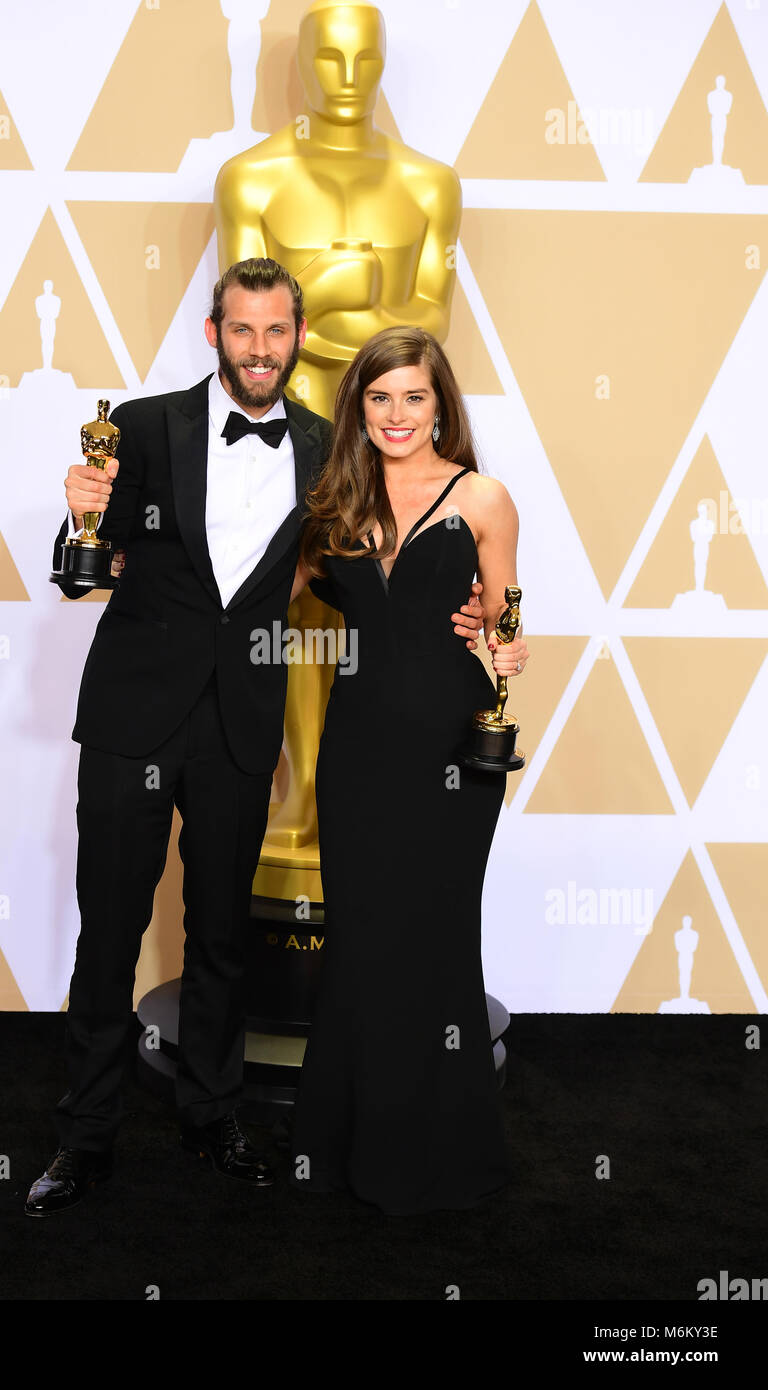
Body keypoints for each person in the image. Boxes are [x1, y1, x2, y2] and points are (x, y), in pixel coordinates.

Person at [25, 259, 487, 1216]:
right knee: (109, 932)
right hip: (130, 715)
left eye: (278, 332)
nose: (262, 350)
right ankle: (85, 1139)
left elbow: (381, 563)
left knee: (223, 937)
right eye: (244, 331)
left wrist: (479, 619)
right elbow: (85, 572)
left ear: (299, 332)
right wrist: (81, 522)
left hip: (242, 721)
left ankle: (211, 1119)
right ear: (214, 334)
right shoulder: (144, 426)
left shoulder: (330, 450)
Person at [289, 324, 529, 1215]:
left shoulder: (485, 499)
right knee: (360, 937)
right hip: (355, 751)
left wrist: (505, 648)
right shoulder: (333, 505)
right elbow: (268, 590)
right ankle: (345, 1145)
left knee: (433, 939)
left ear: (441, 405)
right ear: (360, 405)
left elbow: (505, 617)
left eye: (413, 397)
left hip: (453, 750)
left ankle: (441, 1152)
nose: (396, 414)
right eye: (379, 397)